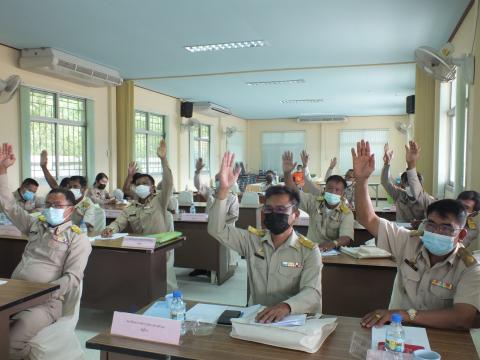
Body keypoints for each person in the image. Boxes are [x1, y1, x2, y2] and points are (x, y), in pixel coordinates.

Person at [353, 140, 480, 330]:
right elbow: (366, 218)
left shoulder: (470, 268)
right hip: (397, 333)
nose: (436, 232)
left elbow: (463, 318)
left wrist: (405, 315)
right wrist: (361, 180)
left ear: (461, 234)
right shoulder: (409, 242)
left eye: (446, 228)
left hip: (444, 341)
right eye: (431, 225)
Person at [0, 143, 91, 359]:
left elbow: (72, 277)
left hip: (44, 303)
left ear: (70, 210)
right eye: (48, 204)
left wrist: (42, 292)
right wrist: (2, 171)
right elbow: (9, 206)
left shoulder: (77, 238)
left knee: (11, 341)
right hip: (15, 294)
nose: (51, 209)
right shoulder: (35, 224)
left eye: (57, 206)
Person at [208, 152, 322, 323]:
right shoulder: (251, 240)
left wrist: (286, 307)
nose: (274, 213)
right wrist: (223, 190)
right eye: (269, 209)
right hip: (256, 319)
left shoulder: (309, 251)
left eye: (282, 210)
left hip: (292, 322)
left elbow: (312, 293)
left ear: (295, 215)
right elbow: (217, 230)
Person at [101, 139, 177, 291]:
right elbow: (118, 223)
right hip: (140, 248)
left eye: (145, 183)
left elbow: (168, 182)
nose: (141, 186)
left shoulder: (160, 200)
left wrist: (163, 160)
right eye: (138, 184)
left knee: (163, 283)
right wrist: (110, 229)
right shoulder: (131, 208)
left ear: (153, 188)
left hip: (161, 247)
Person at [284, 151, 354, 251]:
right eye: (330, 188)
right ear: (325, 190)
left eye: (337, 190)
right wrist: (287, 174)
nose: (333, 192)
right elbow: (293, 191)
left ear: (343, 194)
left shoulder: (346, 213)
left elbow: (346, 238)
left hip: (332, 253)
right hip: (310, 250)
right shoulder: (314, 202)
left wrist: (332, 244)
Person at [192, 157, 240, 277]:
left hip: (224, 229)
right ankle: (203, 267)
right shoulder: (210, 192)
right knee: (202, 243)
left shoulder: (232, 197)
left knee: (219, 250)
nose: (219, 181)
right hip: (208, 226)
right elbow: (199, 185)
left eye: (221, 178)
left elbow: (234, 215)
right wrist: (197, 172)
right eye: (217, 179)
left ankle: (221, 268)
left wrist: (217, 219)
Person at [381, 141, 434, 223]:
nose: (411, 187)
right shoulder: (399, 195)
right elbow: (385, 182)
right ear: (403, 185)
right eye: (408, 184)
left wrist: (411, 164)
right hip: (401, 231)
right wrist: (387, 163)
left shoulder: (426, 199)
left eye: (413, 184)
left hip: (419, 232)